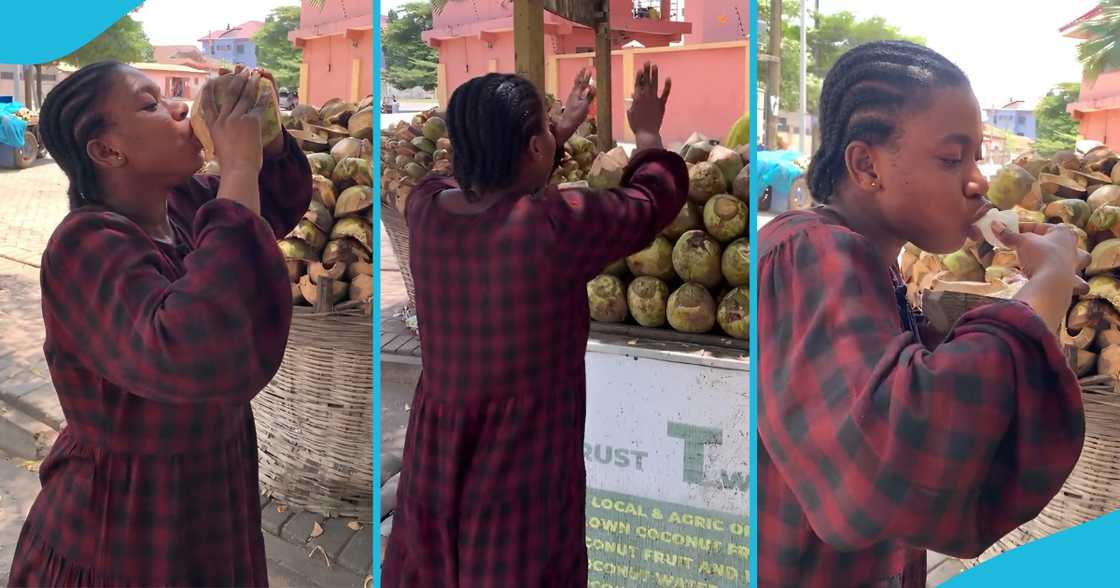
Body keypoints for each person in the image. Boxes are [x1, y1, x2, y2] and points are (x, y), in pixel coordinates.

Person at [757, 41, 1088, 587]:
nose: (977, 179)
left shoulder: (870, 266)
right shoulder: (809, 254)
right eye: (951, 158)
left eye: (977, 156)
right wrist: (1045, 291)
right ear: (867, 165)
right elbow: (888, 456)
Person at [382, 63, 687, 586]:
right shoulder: (551, 227)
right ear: (531, 150)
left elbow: (460, 179)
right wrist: (648, 134)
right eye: (544, 130)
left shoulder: (425, 209)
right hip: (522, 466)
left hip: (438, 453)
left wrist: (549, 138)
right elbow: (647, 202)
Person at [7, 62, 310, 586]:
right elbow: (193, 349)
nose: (180, 109)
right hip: (126, 513)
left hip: (212, 491)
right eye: (150, 105)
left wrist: (264, 133)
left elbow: (274, 202)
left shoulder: (183, 203)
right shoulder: (85, 246)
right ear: (107, 152)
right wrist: (237, 168)